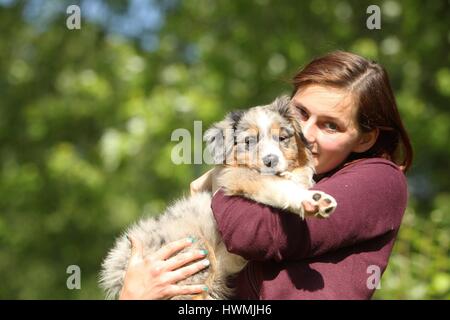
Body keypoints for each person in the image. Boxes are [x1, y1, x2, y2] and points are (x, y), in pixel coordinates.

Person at [119, 51, 412, 300]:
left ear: (365, 139)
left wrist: (223, 179)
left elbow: (256, 234)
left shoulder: (381, 180)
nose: (306, 134)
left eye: (330, 126)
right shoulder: (288, 166)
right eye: (301, 113)